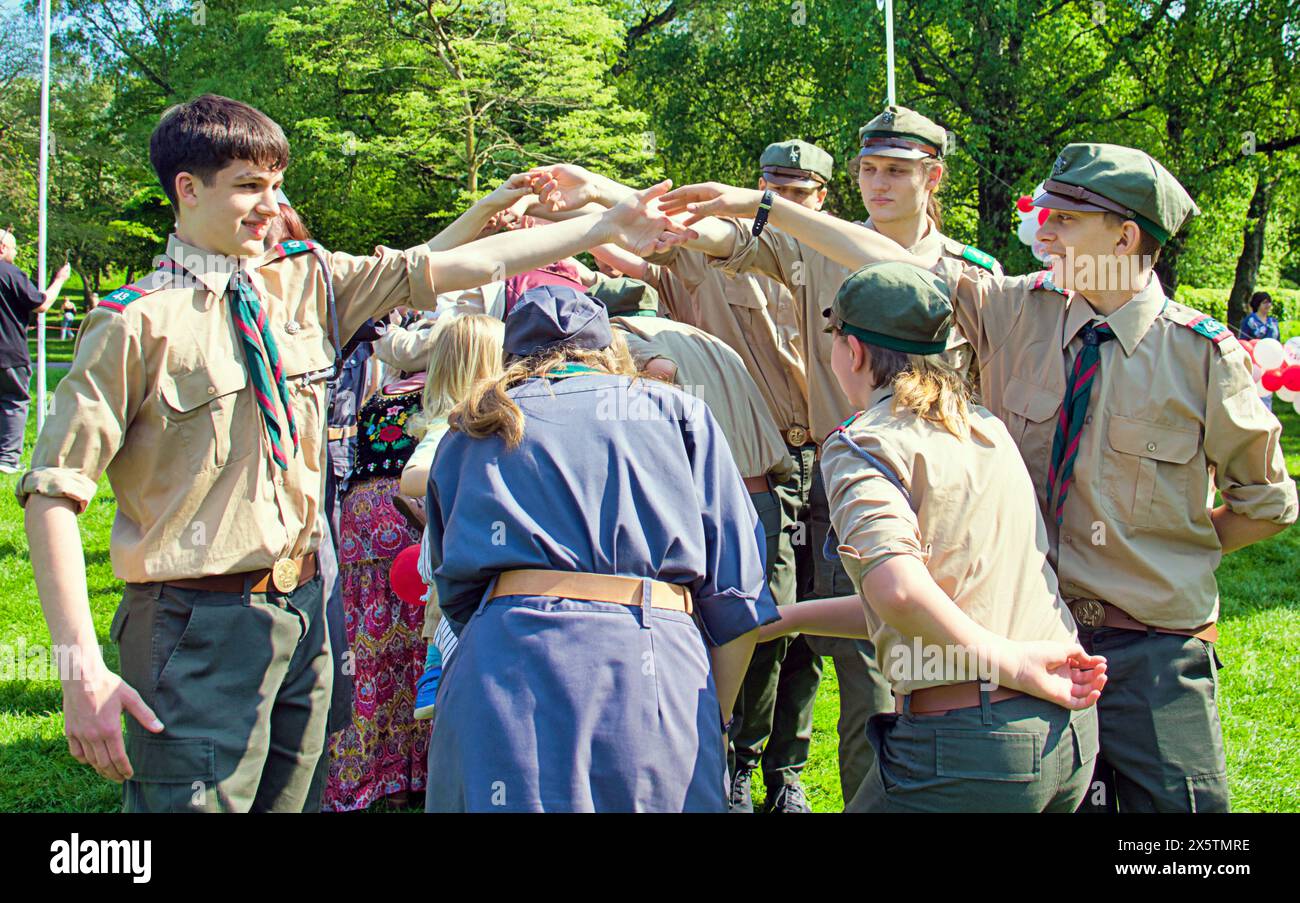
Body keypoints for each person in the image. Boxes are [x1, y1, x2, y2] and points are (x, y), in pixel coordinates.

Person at [17, 93, 685, 812]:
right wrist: (78, 668)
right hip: (194, 624)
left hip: (309, 604)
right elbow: (53, 495)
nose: (270, 205)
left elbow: (450, 264)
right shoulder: (134, 324)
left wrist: (599, 225)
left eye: (276, 186)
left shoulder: (306, 283)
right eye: (248, 185)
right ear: (187, 188)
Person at [659, 141, 1299, 813]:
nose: (1042, 230)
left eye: (1064, 218)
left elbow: (1266, 504)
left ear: (1125, 234)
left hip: (1151, 654)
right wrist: (770, 210)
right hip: (1024, 636)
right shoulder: (1022, 309)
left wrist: (1160, 554)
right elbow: (896, 265)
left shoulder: (1199, 355)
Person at [538, 109, 1002, 807]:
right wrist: (599, 190)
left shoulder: (974, 275)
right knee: (866, 678)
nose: (879, 183)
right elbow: (700, 234)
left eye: (897, 170)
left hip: (956, 490)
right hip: (846, 477)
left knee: (956, 670)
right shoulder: (807, 250)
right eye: (868, 169)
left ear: (933, 177)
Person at [528, 143, 831, 813]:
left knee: (811, 632)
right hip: (744, 460)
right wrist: (590, 191)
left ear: (820, 200)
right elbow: (663, 221)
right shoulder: (710, 257)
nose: (787, 197)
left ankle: (789, 768)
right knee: (760, 612)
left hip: (824, 457)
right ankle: (738, 761)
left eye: (801, 190)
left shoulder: (824, 265)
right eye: (774, 185)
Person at [760, 260, 1106, 811]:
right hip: (1062, 736)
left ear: (852, 351)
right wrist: (788, 619)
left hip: (968, 745)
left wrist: (1014, 665)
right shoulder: (984, 425)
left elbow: (900, 591)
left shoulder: (864, 442)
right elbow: (926, 599)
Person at [423, 285, 777, 812]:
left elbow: (454, 592)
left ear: (510, 356)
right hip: (651, 664)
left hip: (503, 666)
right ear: (611, 347)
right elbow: (739, 596)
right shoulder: (679, 412)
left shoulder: (471, 426)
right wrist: (713, 718)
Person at [595, 276, 805, 808]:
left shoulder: (622, 338)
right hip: (763, 496)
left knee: (693, 630)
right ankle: (756, 768)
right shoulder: (706, 338)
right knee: (763, 630)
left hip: (703, 501)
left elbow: (659, 377)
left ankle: (709, 762)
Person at [322, 319, 438, 812]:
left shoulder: (378, 397)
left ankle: (362, 772)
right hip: (404, 522)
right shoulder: (433, 402)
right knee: (416, 642)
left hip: (357, 520)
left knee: (365, 646)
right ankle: (415, 770)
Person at [396, 314, 505, 720]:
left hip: (476, 544)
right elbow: (411, 479)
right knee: (443, 593)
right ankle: (434, 668)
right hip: (455, 544)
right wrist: (465, 469)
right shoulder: (448, 427)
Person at [0, 228, 71, 474]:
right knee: (14, 400)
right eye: (14, 247)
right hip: (9, 351)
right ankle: (7, 460)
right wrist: (60, 279)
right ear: (2, 248)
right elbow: (41, 303)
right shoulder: (9, 273)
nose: (17, 252)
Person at [1239, 292, 1281, 410]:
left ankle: (1267, 415)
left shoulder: (1273, 321)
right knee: (1254, 390)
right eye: (1265, 302)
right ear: (1258, 304)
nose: (1268, 305)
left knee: (1268, 389)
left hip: (1271, 361)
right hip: (1255, 361)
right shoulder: (1250, 320)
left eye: (1269, 302)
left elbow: (1277, 340)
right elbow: (1243, 341)